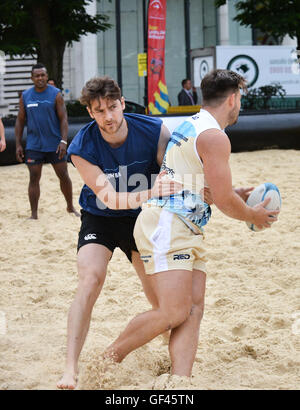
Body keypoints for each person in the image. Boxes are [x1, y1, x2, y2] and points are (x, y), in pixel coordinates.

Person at [99, 69, 280, 380]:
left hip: (181, 224)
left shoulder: (192, 123)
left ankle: (179, 382)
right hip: (168, 224)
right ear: (233, 99)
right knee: (173, 312)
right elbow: (222, 201)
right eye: (241, 99)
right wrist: (254, 216)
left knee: (194, 309)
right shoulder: (214, 136)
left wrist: (234, 194)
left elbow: (196, 184)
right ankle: (105, 360)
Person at [57, 75, 186, 390]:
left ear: (123, 104)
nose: (108, 117)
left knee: (162, 301)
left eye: (112, 107)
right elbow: (110, 199)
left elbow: (181, 173)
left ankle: (175, 358)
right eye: (99, 111)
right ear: (90, 112)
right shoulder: (82, 146)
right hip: (100, 217)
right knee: (90, 279)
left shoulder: (154, 131)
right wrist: (154, 191)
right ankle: (70, 369)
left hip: (142, 220)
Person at [15, 63, 79, 219]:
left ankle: (70, 208)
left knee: (63, 175)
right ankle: (34, 214)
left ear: (47, 76)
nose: (40, 78)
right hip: (34, 145)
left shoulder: (56, 94)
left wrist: (63, 141)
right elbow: (20, 120)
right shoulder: (25, 96)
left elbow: (63, 119)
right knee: (34, 177)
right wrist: (17, 144)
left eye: (43, 75)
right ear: (32, 78)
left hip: (55, 145)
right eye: (37, 76)